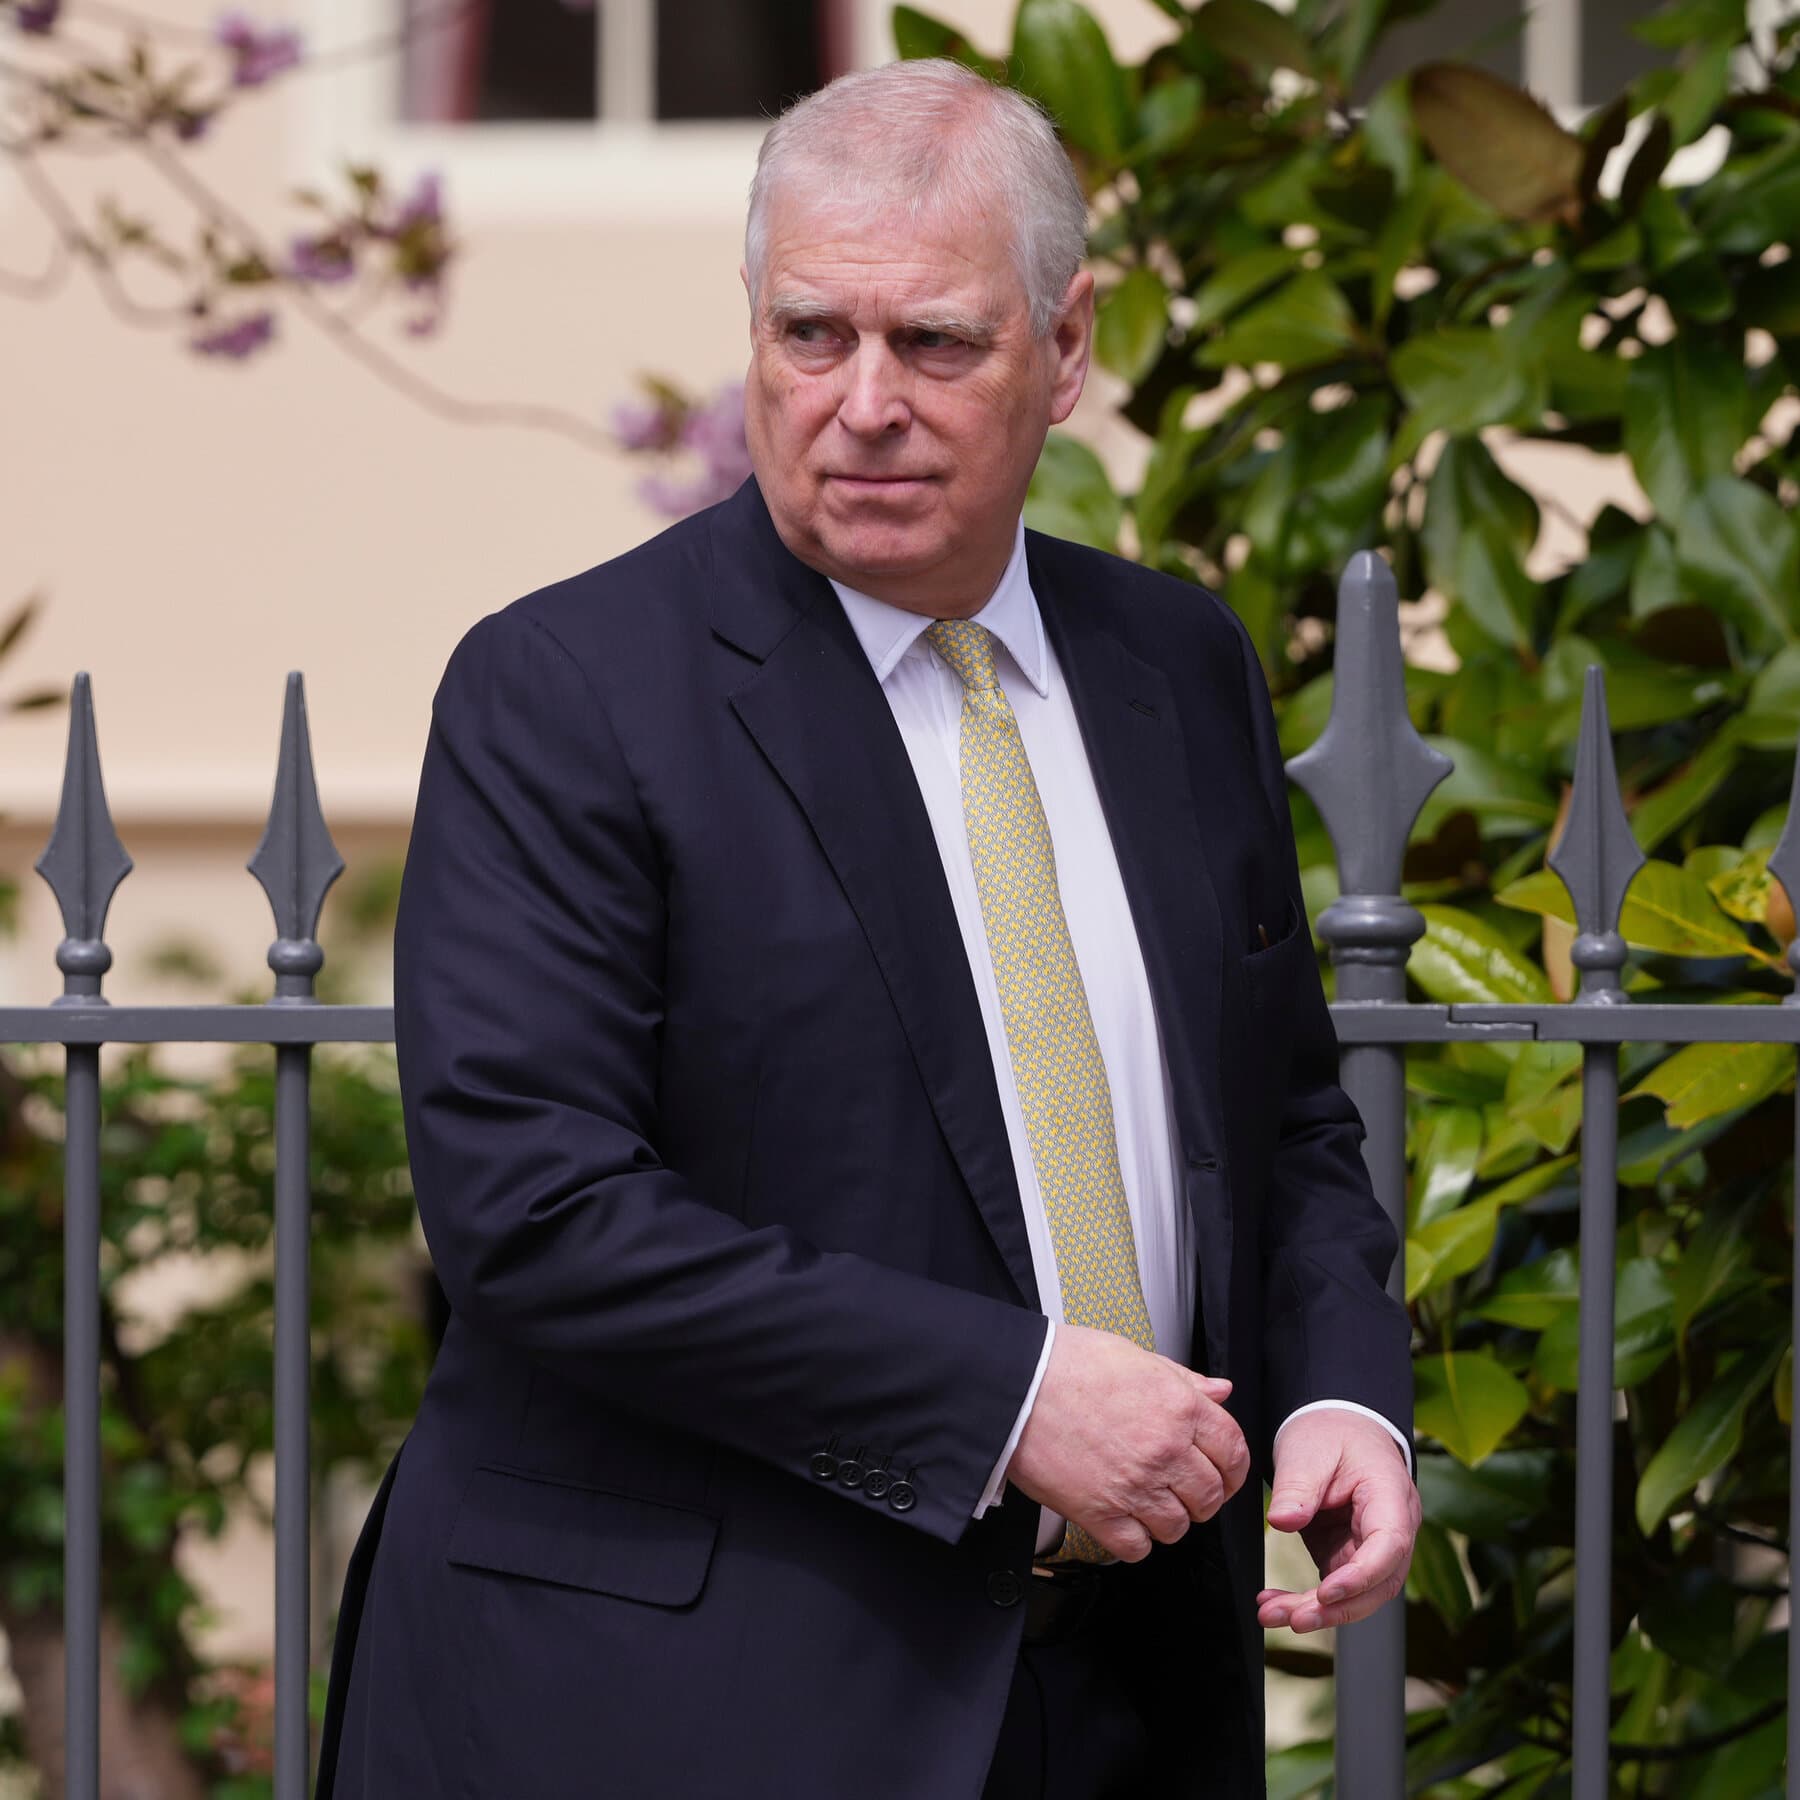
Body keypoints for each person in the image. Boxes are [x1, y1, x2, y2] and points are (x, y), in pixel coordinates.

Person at [315, 57, 1417, 1800]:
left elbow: (1281, 1128)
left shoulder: (1174, 668)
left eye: (938, 345)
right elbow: (537, 1210)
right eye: (812, 336)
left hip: (1125, 1698)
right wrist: (1014, 1399)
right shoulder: (569, 691)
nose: (864, 403)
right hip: (678, 1707)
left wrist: (1345, 1397)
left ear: (1068, 352)